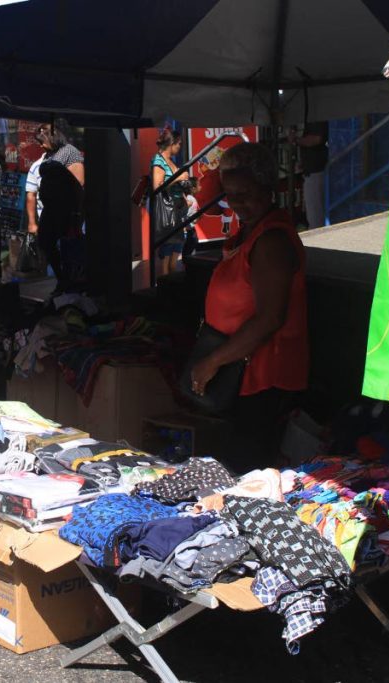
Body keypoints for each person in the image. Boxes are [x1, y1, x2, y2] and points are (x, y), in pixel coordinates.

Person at [189, 142, 308, 466]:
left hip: (263, 375)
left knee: (248, 466)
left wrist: (213, 361)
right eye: (231, 194)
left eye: (246, 192)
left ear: (268, 189)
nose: (238, 202)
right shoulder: (250, 233)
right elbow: (206, 196)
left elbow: (270, 318)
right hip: (240, 369)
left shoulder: (271, 241)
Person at [34, 119, 85, 293]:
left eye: (42, 142)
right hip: (50, 209)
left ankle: (69, 282)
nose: (40, 146)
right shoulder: (49, 155)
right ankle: (62, 279)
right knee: (45, 241)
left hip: (66, 210)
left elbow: (78, 184)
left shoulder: (70, 152)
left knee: (68, 247)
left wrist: (76, 213)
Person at [150, 128, 191, 276]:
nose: (180, 147)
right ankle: (164, 290)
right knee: (166, 258)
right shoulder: (158, 160)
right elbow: (157, 185)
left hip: (177, 211)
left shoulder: (170, 161)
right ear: (171, 143)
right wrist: (179, 178)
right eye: (179, 144)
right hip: (168, 213)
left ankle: (171, 289)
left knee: (175, 255)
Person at [293, 121, 328, 228]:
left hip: (316, 172)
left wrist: (296, 140)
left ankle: (317, 237)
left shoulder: (317, 117)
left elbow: (317, 139)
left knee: (315, 213)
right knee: (314, 211)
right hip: (312, 171)